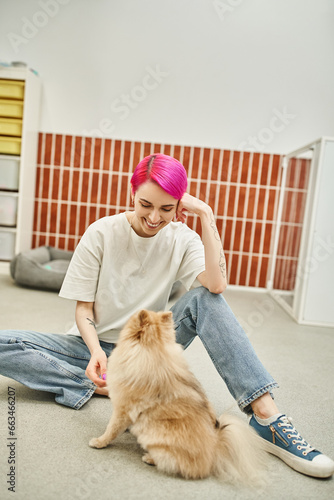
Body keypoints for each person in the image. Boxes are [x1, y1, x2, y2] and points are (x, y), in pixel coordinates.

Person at [0, 154, 333, 479]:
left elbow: (216, 284)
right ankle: (107, 387)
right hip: (91, 347)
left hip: (148, 350)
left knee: (206, 298)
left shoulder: (183, 238)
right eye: (145, 204)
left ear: (180, 206)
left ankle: (267, 418)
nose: (154, 217)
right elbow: (84, 309)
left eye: (166, 208)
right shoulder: (101, 232)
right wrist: (98, 352)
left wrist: (206, 214)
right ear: (133, 193)